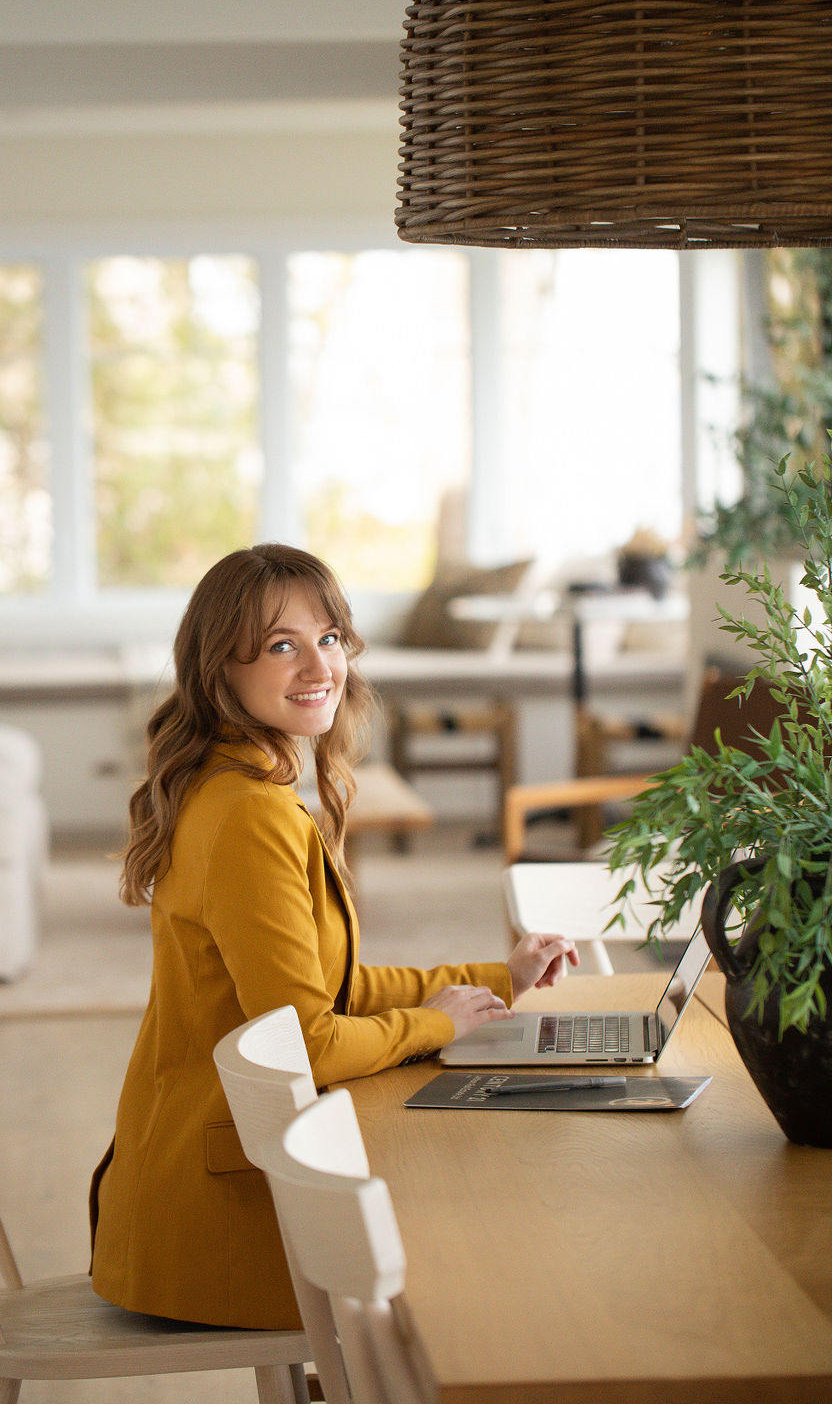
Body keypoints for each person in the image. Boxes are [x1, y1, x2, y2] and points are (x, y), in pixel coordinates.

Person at [90, 543, 578, 1331]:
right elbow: (309, 1043)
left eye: (329, 638)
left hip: (187, 1195)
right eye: (282, 645)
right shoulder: (248, 814)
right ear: (221, 670)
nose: (318, 665)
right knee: (503, 1264)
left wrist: (499, 979)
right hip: (219, 1221)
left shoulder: (241, 786)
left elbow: (330, 989)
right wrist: (438, 1025)